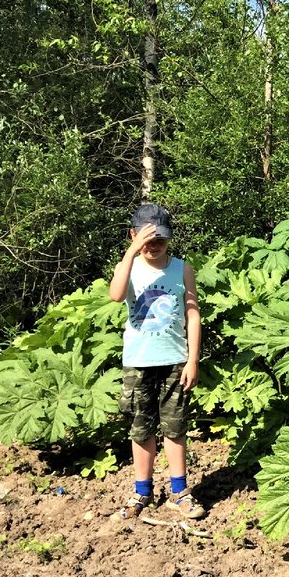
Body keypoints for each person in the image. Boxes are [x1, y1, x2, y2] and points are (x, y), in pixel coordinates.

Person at [108, 203, 206, 520]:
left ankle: (179, 491)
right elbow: (115, 294)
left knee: (175, 428)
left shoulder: (181, 268)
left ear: (169, 239)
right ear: (134, 235)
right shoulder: (131, 267)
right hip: (138, 361)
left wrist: (192, 359)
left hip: (175, 359)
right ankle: (142, 492)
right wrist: (130, 252)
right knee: (141, 429)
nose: (153, 246)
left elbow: (192, 314)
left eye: (160, 240)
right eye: (147, 240)